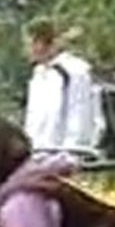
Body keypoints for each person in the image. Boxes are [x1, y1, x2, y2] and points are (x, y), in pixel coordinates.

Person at [24, 18, 103, 150]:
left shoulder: (74, 72)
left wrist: (71, 151)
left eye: (31, 44)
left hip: (64, 155)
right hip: (40, 154)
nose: (28, 50)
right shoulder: (38, 75)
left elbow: (79, 115)